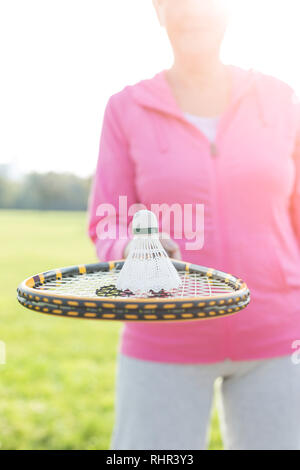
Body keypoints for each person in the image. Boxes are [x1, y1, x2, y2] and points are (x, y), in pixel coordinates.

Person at [88, 0, 300, 450]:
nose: (193, 10)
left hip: (279, 337)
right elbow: (109, 217)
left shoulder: (280, 98)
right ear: (158, 11)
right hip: (163, 333)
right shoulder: (127, 108)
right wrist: (131, 248)